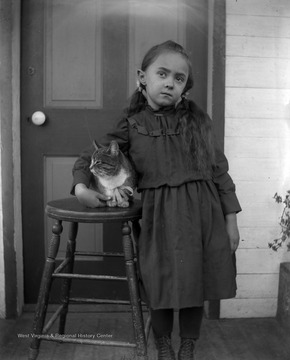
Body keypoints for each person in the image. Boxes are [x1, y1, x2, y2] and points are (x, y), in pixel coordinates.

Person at [71, 40, 241, 360]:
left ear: (184, 87)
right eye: (162, 74)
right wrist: (81, 188)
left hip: (202, 212)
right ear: (143, 77)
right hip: (156, 214)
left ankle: (188, 344)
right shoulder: (131, 122)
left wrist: (231, 221)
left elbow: (220, 171)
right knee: (158, 280)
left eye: (179, 78)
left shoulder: (198, 121)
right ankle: (162, 343)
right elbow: (89, 157)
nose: (169, 83)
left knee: (195, 280)